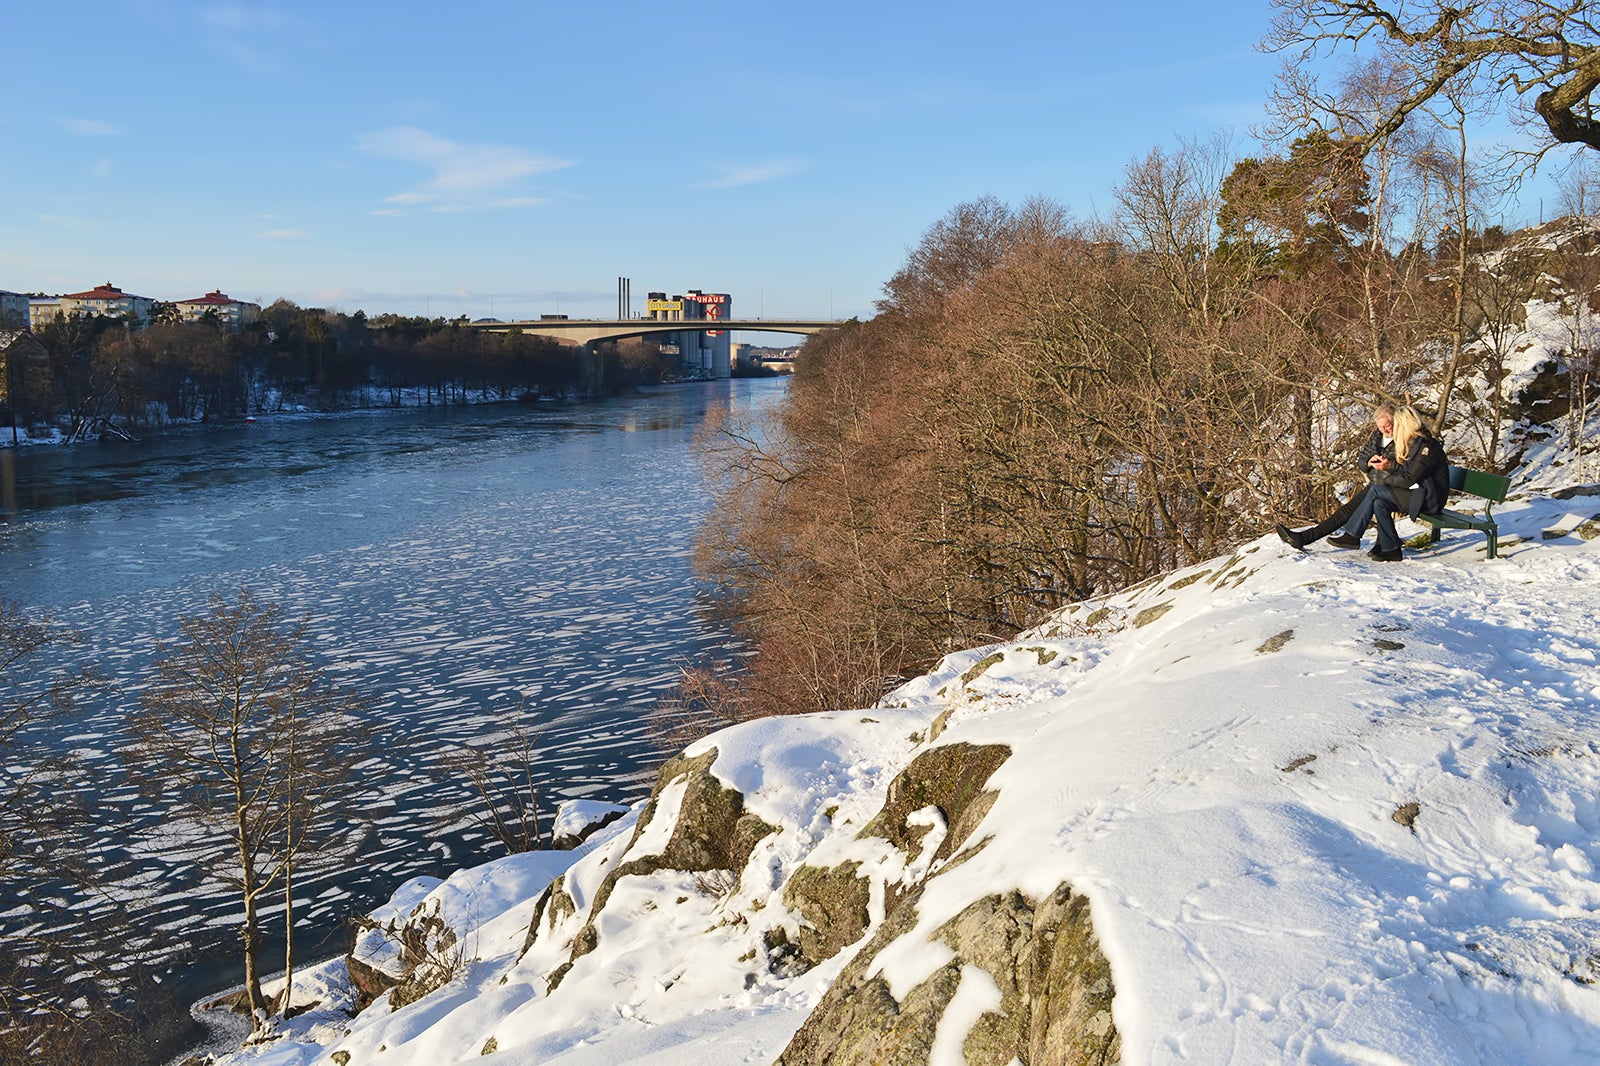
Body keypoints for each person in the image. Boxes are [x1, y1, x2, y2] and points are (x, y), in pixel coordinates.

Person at [1328, 404, 1448, 562]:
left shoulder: (1426, 446)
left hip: (1429, 499)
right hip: (1419, 492)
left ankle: (1352, 535)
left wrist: (1386, 478)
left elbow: (1408, 478)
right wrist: (1389, 466)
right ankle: (1391, 549)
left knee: (1376, 490)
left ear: (1406, 424)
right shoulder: (1415, 442)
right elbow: (1406, 470)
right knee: (1379, 502)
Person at [1276, 403, 1396, 550]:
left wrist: (1386, 465)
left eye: (1387, 426)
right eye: (1380, 427)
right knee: (1346, 511)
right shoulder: (1377, 436)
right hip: (1376, 483)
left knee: (1349, 510)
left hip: (1390, 485)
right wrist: (1368, 463)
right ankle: (1305, 538)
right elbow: (1362, 460)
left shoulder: (1402, 438)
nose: (1383, 430)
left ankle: (1308, 538)